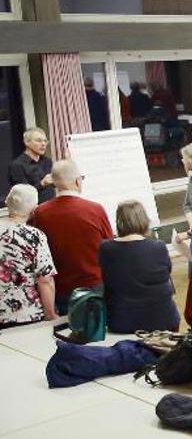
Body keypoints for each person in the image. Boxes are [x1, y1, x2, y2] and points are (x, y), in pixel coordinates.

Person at [28, 160, 113, 313]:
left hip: (59, 287)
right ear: (77, 181)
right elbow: (110, 247)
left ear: (54, 183)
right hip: (94, 285)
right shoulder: (95, 209)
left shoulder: (40, 213)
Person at [96, 200, 179, 333]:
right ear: (144, 219)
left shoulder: (106, 249)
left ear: (119, 221)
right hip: (163, 319)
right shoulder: (159, 247)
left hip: (122, 321)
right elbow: (166, 273)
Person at [0, 184, 56, 328]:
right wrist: (50, 315)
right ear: (33, 209)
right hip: (26, 314)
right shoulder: (34, 236)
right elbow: (45, 280)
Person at [8, 127, 54, 204]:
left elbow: (53, 186)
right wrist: (42, 184)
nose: (43, 144)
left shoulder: (47, 161)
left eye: (45, 141)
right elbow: (22, 195)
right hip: (32, 212)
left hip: (51, 207)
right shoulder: (17, 165)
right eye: (38, 140)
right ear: (27, 142)